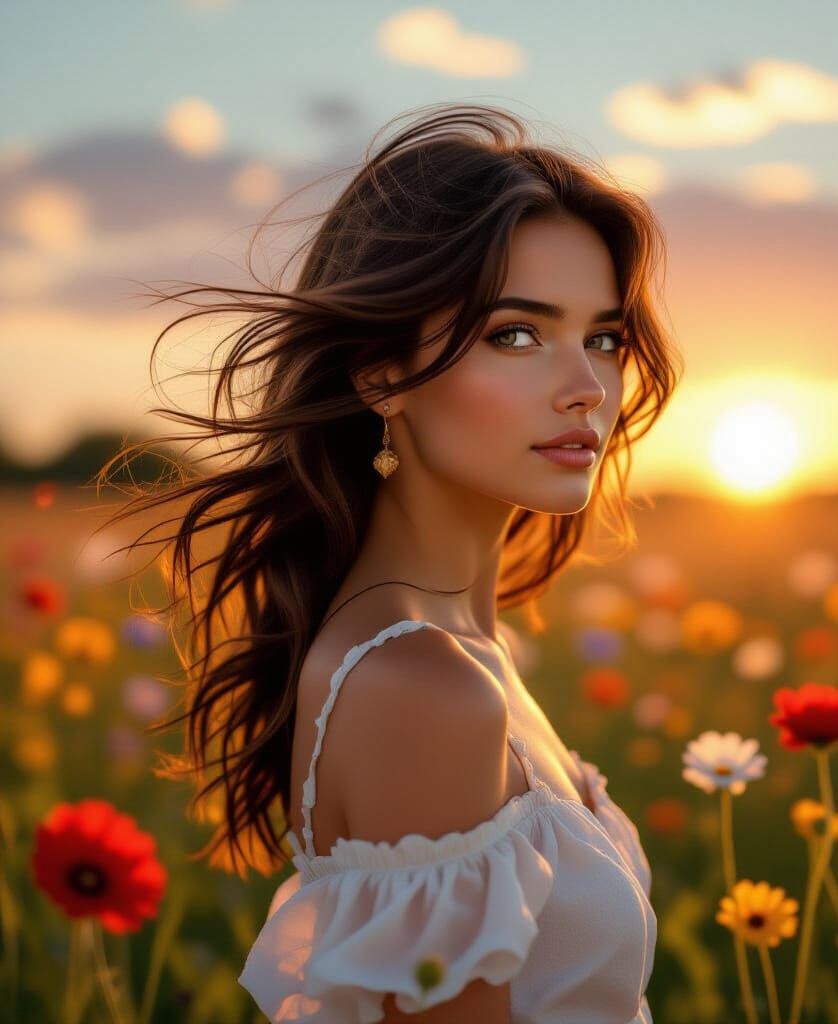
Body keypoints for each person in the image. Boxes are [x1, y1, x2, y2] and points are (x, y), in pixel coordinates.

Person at [97, 102, 683, 1022]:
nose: (587, 388)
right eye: (517, 335)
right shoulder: (418, 683)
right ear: (380, 373)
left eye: (602, 338)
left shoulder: (465, 645)